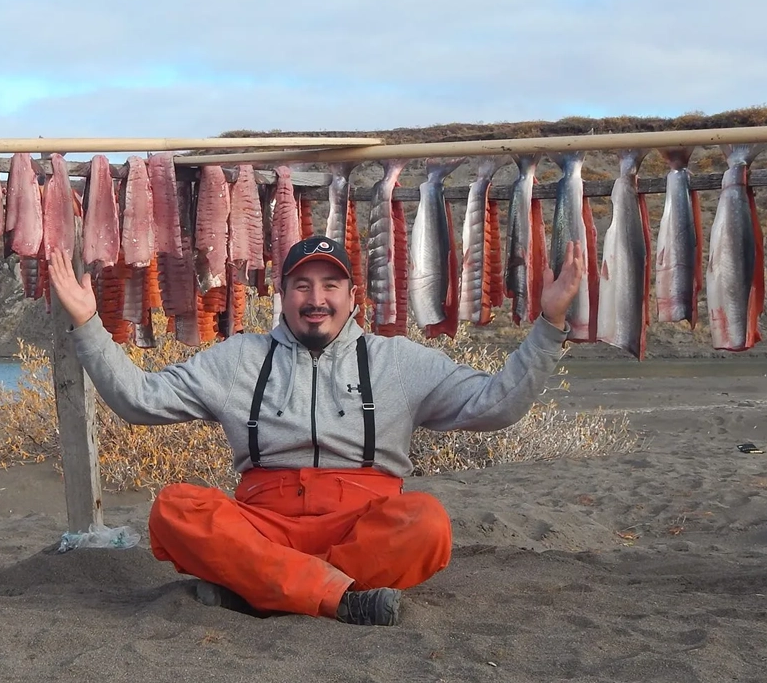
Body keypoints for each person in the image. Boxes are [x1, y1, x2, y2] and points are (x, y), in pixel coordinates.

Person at [49, 234, 584, 626]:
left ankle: (264, 587)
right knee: (174, 510)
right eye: (301, 285)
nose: (316, 298)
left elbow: (496, 405)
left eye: (331, 284)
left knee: (427, 523)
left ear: (353, 297)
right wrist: (88, 325)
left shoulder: (401, 361)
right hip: (263, 523)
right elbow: (140, 401)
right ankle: (338, 597)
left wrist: (549, 325)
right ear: (282, 295)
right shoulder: (239, 358)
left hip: (362, 526)